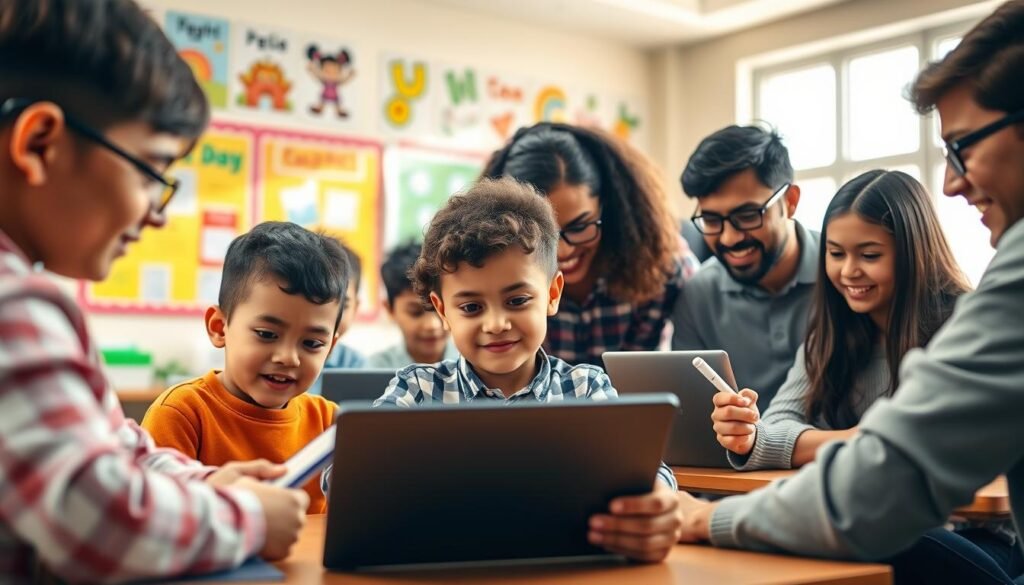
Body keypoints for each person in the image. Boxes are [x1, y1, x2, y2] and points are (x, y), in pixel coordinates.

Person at [676, 3, 1024, 583]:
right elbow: (773, 435)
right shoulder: (830, 327)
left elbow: (884, 483)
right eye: (837, 254)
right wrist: (845, 441)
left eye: (962, 146)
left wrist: (707, 519)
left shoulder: (981, 305)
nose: (952, 181)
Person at [0, 0, 306, 580]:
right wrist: (248, 518)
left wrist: (212, 483)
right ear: (40, 143)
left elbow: (120, 450)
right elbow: (102, 520)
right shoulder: (14, 307)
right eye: (150, 172)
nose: (158, 214)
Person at [374, 177, 683, 562]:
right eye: (471, 308)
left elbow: (649, 471)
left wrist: (657, 496)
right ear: (442, 311)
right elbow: (347, 478)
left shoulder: (586, 388)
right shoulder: (416, 390)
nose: (497, 324)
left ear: (552, 294)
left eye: (517, 300)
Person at [711, 170, 970, 471]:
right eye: (835, 253)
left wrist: (807, 443)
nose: (848, 271)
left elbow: (934, 439)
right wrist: (748, 434)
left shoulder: (964, 325)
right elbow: (772, 430)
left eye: (870, 255)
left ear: (914, 253)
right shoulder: (830, 334)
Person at [143, 222, 346, 514]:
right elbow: (160, 517)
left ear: (330, 348)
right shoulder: (182, 413)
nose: (288, 357)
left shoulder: (330, 421)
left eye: (312, 343)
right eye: (266, 334)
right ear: (219, 328)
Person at [483, 123, 699, 368]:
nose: (563, 252)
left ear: (608, 207)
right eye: (543, 235)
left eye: (579, 226)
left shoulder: (664, 266)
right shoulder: (494, 279)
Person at [671, 125, 816, 410]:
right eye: (712, 220)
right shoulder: (698, 294)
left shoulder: (845, 276)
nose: (729, 238)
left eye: (748, 215)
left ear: (790, 201)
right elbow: (693, 415)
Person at [367, 240, 458, 369]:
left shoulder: (475, 365)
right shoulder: (374, 368)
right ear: (390, 309)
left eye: (440, 310)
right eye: (415, 312)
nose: (432, 325)